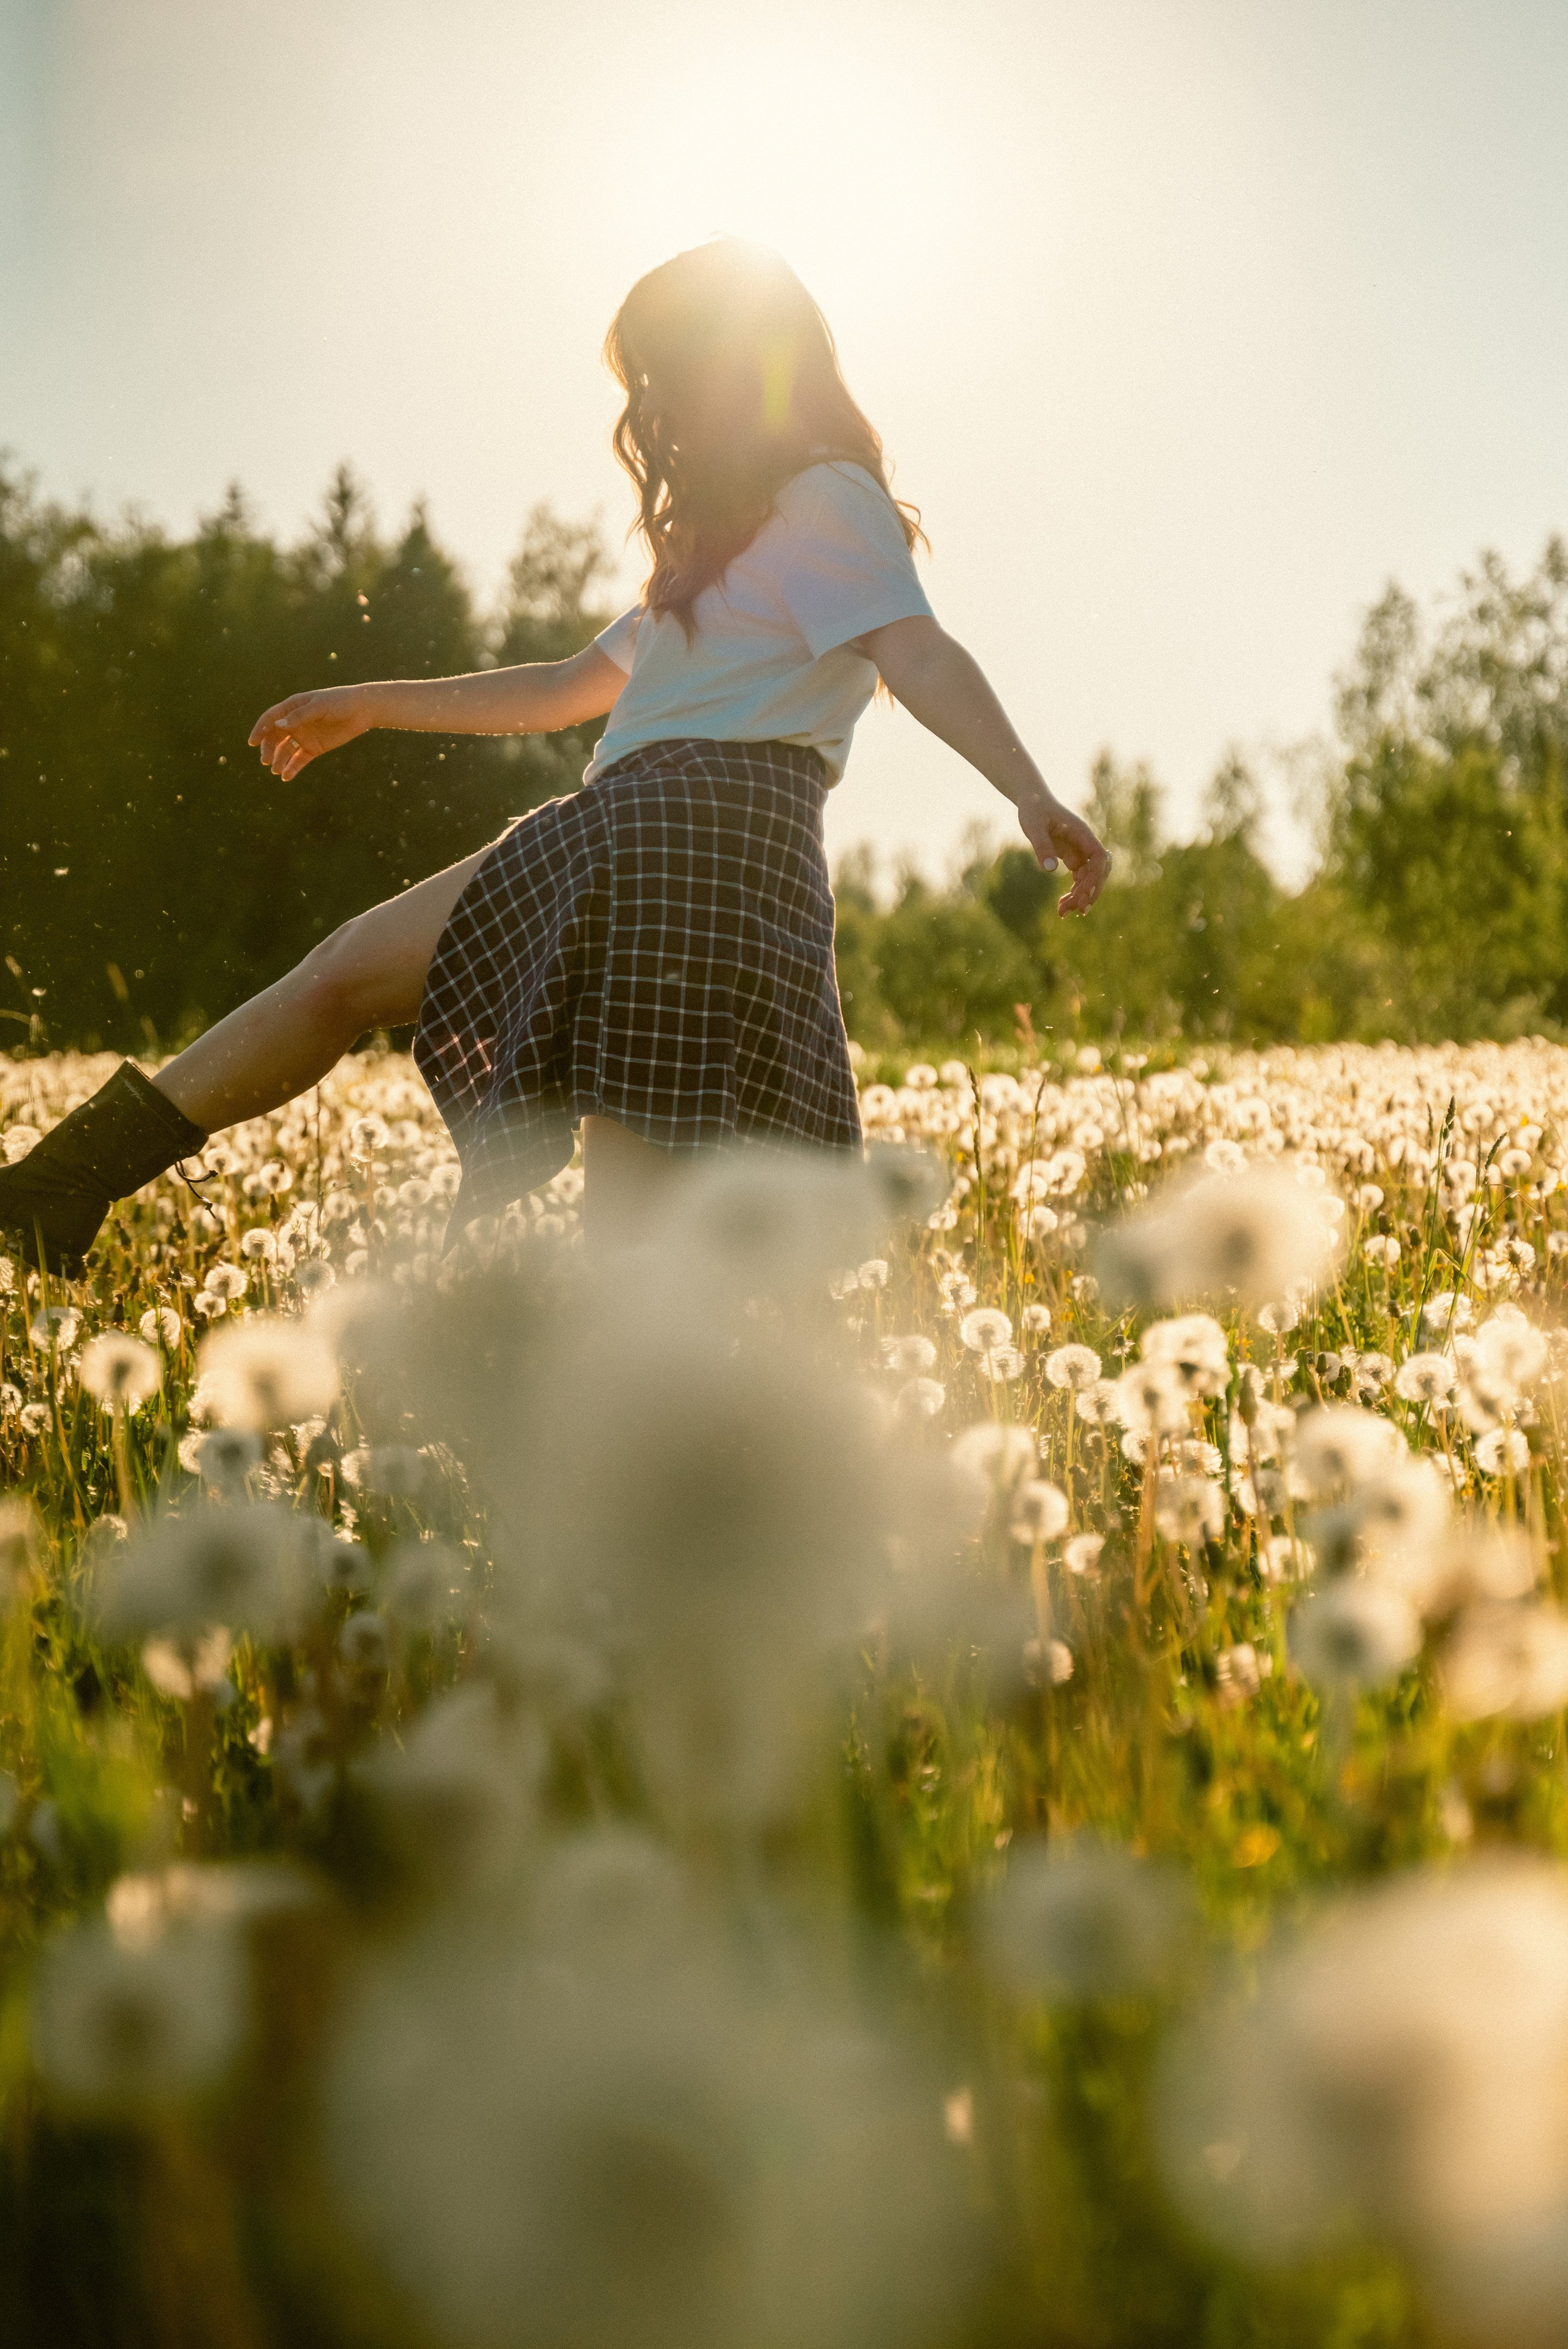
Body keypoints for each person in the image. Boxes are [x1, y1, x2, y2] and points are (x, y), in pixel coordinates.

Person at [0, 238, 1109, 1273]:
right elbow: (564, 688)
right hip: (630, 826)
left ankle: (639, 1455)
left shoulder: (827, 498)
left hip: (708, 838)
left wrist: (1027, 789)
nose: (647, 406)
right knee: (343, 976)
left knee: (628, 1241)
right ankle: (64, 1185)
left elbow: (914, 649)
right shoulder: (722, 542)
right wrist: (371, 704)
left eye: (659, 372)